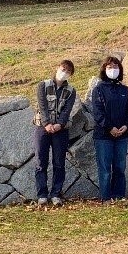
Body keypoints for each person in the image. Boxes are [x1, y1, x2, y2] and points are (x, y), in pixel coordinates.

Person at [33, 60, 76, 206]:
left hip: (60, 130)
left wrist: (59, 124)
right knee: (41, 162)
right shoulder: (43, 85)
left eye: (68, 72)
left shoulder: (71, 91)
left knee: (59, 163)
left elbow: (67, 110)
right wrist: (47, 124)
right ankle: (42, 195)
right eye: (63, 69)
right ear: (58, 68)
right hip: (42, 128)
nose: (64, 73)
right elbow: (42, 106)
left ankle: (56, 194)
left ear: (70, 75)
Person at [92, 56, 128, 202]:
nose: (113, 70)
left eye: (115, 67)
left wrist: (126, 125)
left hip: (122, 135)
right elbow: (98, 113)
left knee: (120, 167)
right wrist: (110, 127)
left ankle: (118, 196)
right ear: (104, 69)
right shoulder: (98, 89)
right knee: (105, 169)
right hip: (103, 135)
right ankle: (106, 197)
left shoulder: (125, 90)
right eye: (109, 67)